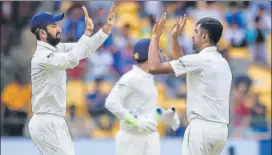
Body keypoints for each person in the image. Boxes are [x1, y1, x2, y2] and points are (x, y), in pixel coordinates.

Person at [28, 4, 116, 155]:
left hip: (54, 120)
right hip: (47, 121)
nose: (60, 29)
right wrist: (87, 33)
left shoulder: (57, 49)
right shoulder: (42, 57)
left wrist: (104, 30)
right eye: (54, 26)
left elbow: (85, 49)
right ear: (42, 33)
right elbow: (72, 59)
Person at [148, 13, 232, 155]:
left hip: (201, 128)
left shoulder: (200, 60)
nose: (193, 36)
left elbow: (153, 68)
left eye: (196, 32)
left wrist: (155, 36)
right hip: (220, 131)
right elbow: (182, 66)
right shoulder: (223, 63)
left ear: (205, 37)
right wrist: (174, 38)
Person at [105, 39, 180, 155]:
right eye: (158, 52)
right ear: (149, 55)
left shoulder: (149, 78)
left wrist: (164, 115)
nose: (161, 56)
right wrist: (136, 122)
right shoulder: (130, 78)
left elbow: (146, 110)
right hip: (131, 141)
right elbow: (111, 103)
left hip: (150, 139)